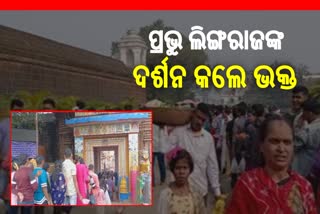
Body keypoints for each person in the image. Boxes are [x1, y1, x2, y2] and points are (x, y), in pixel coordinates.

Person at [226, 115, 317, 213]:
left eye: (287, 142)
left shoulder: (304, 186)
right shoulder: (248, 184)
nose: (281, 149)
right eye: (274, 141)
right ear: (261, 146)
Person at [167, 103, 221, 203]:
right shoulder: (178, 132)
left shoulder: (208, 138)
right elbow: (166, 153)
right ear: (193, 114)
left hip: (200, 191)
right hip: (179, 192)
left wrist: (217, 191)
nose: (200, 122)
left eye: (203, 120)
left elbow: (212, 165)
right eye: (198, 117)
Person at [157, 147, 205, 214]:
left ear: (190, 170)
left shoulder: (195, 194)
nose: (181, 172)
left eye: (185, 168)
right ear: (172, 170)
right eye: (178, 168)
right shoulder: (166, 195)